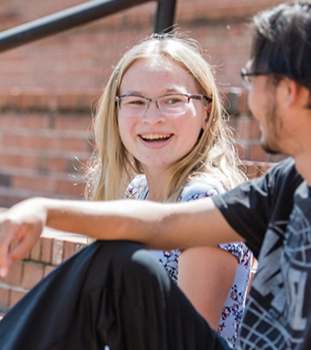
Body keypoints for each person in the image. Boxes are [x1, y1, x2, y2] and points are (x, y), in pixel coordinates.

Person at [0, 1, 311, 349]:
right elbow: (166, 223)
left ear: (289, 92)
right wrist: (42, 210)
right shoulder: (296, 181)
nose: (248, 97)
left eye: (255, 79)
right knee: (120, 266)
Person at [83, 33, 252, 345]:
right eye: (135, 101)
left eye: (173, 100)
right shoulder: (138, 191)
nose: (152, 118)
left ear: (206, 112)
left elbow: (184, 342)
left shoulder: (204, 199)